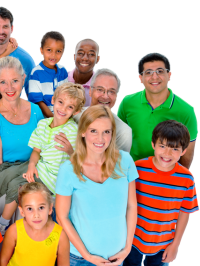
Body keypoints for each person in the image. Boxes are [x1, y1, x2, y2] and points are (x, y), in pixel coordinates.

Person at [0, 82, 85, 228]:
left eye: (70, 107)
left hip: (51, 178)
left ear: (75, 111)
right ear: (53, 100)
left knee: (16, 185)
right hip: (39, 167)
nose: (63, 109)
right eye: (61, 102)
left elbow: (82, 161)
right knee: (9, 170)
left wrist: (70, 150)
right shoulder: (43, 124)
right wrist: (31, 166)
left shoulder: (72, 130)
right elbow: (36, 150)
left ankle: (1, 224)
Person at [56, 105, 138, 266]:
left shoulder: (125, 160)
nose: (100, 139)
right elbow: (61, 217)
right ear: (83, 132)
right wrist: (87, 255)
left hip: (116, 256)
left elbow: (131, 206)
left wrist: (128, 247)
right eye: (93, 131)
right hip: (79, 258)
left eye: (106, 132)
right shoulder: (68, 169)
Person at [0, 56, 44, 235]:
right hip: (2, 184)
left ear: (23, 79)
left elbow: (43, 148)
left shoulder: (35, 111)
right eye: (3, 82)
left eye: (15, 81)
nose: (9, 88)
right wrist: (22, 186)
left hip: (33, 179)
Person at [125, 120, 199, 266]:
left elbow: (185, 213)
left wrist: (176, 245)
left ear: (184, 151)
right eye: (162, 146)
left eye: (175, 149)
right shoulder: (137, 168)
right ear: (153, 144)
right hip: (132, 240)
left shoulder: (187, 179)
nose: (167, 153)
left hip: (164, 244)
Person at [117, 52, 197, 169]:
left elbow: (187, 151)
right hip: (133, 171)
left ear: (169, 75)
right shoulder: (127, 103)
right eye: (148, 72)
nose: (154, 77)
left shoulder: (186, 111)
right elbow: (119, 138)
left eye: (160, 71)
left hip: (165, 174)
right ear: (141, 78)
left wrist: (178, 178)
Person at [0, 182, 70, 266]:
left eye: (41, 207)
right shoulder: (14, 231)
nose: (36, 215)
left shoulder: (61, 236)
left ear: (50, 209)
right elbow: (3, 260)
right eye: (30, 208)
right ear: (22, 211)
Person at [71, 68, 132, 152]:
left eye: (111, 91)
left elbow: (120, 163)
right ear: (90, 91)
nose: (105, 96)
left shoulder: (123, 132)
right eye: (100, 89)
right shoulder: (73, 114)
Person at [0, 6, 36, 96]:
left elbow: (33, 98)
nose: (1, 31)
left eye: (5, 27)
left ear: (12, 28)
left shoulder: (26, 60)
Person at [29, 30, 69, 118]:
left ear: (63, 52)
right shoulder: (36, 73)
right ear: (41, 50)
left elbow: (67, 96)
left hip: (62, 115)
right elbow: (38, 101)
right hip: (44, 118)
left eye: (58, 51)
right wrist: (53, 119)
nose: (53, 55)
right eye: (49, 50)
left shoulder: (63, 71)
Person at [67, 38, 100, 107]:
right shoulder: (62, 78)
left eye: (91, 54)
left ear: (97, 59)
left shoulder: (98, 87)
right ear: (74, 56)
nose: (85, 58)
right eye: (80, 53)